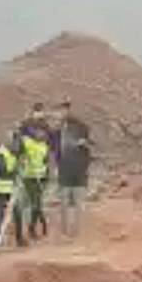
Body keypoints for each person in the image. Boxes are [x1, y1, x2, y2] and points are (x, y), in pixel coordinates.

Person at [56, 103, 94, 238]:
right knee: (64, 203)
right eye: (60, 111)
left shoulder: (81, 127)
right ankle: (65, 232)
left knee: (78, 203)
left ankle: (77, 233)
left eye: (64, 110)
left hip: (79, 171)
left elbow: (91, 146)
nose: (61, 113)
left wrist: (85, 144)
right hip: (64, 171)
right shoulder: (58, 130)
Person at [18, 124, 52, 243]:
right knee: (36, 204)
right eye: (39, 133)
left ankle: (35, 226)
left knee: (37, 204)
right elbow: (20, 136)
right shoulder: (28, 142)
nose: (42, 135)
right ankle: (36, 227)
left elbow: (46, 163)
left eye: (43, 134)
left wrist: (46, 177)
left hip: (40, 179)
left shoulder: (44, 146)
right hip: (29, 178)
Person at [0, 131, 20, 249]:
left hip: (9, 188)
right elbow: (2, 172)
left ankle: (18, 239)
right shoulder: (1, 154)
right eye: (14, 143)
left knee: (17, 213)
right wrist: (15, 172)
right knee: (0, 216)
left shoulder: (11, 155)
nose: (16, 145)